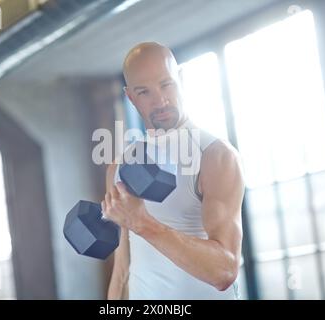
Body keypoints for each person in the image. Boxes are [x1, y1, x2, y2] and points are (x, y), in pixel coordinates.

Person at [102, 42, 245, 300]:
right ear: (130, 97)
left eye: (166, 84)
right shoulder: (119, 166)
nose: (160, 100)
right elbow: (122, 267)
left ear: (181, 79)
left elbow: (224, 270)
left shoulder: (215, 156)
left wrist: (143, 222)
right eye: (144, 92)